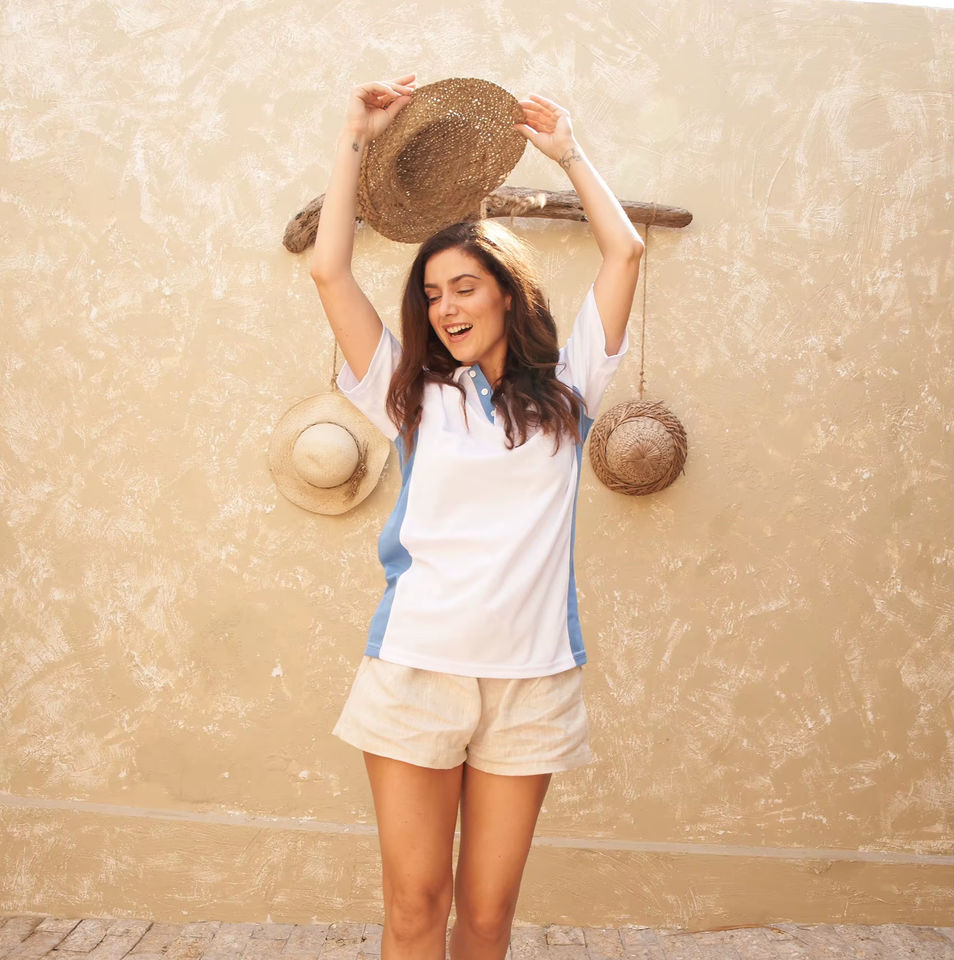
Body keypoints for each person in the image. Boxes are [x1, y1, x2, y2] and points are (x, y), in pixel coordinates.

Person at [309, 72, 643, 960]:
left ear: (506, 291)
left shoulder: (570, 393)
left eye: (463, 286)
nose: (445, 308)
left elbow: (624, 254)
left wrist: (570, 154)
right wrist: (355, 138)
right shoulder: (413, 395)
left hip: (532, 681)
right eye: (431, 294)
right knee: (416, 909)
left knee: (488, 920)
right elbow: (330, 270)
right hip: (417, 671)